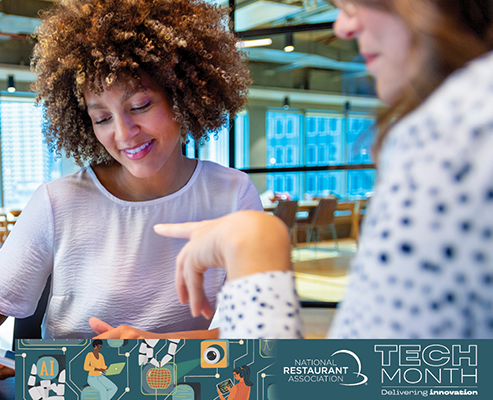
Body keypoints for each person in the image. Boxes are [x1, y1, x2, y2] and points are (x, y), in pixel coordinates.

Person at [0, 0, 259, 380]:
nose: (122, 134)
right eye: (102, 118)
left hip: (179, 384)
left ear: (182, 93)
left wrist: (156, 348)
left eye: (139, 105)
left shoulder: (232, 194)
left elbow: (257, 335)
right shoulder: (58, 201)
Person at [155, 0, 493, 339]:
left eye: (353, 4)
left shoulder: (454, 130)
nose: (342, 28)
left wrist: (256, 244)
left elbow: (362, 378)